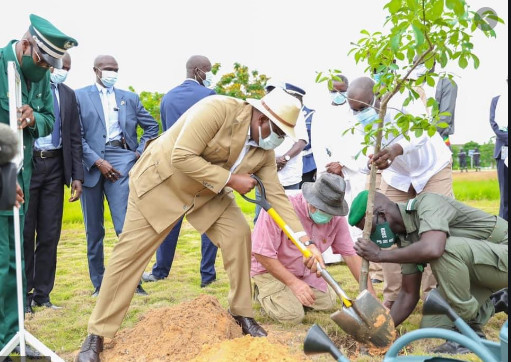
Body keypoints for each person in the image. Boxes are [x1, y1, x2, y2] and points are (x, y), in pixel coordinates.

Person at [76, 88, 327, 362]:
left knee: (239, 234)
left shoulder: (263, 151)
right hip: (162, 182)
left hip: (206, 193)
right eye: (278, 132)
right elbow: (181, 156)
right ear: (261, 119)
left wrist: (306, 242)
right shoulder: (217, 109)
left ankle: (241, 313)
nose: (278, 140)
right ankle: (97, 334)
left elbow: (276, 195)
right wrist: (232, 180)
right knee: (129, 257)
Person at [0, 14, 77, 356]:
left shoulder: (41, 75)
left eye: (51, 64)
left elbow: (47, 118)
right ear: (26, 44)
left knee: (15, 259)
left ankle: (11, 335)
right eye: (43, 61)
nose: (46, 69)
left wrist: (34, 118)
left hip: (21, 179)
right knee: (3, 259)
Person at [349, 190, 508, 354]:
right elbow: (408, 294)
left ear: (382, 215)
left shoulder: (428, 204)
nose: (373, 238)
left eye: (371, 230)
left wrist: (380, 255)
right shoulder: (405, 238)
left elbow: (433, 249)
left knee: (445, 249)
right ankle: (500, 298)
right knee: (436, 318)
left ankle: (467, 333)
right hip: (486, 270)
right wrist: (379, 332)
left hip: (504, 253)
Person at [347, 77, 453, 309]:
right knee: (383, 230)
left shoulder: (405, 97)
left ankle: (433, 297)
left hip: (431, 168)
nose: (359, 114)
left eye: (363, 108)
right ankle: (393, 297)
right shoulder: (359, 118)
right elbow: (357, 154)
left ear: (378, 97)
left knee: (435, 228)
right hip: (397, 177)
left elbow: (422, 132)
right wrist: (369, 163)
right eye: (354, 109)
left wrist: (395, 150)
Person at [75, 55, 159, 297]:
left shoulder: (129, 98)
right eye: (108, 69)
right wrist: (97, 161)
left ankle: (134, 282)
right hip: (91, 163)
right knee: (94, 230)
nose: (112, 72)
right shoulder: (79, 97)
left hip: (122, 159)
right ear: (96, 70)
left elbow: (151, 127)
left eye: (115, 69)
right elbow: (76, 136)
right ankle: (99, 285)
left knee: (125, 226)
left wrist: (138, 153)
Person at [251, 173, 374, 324]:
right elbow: (261, 254)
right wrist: (293, 284)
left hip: (303, 271)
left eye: (332, 211)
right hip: (269, 270)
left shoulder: (335, 217)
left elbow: (351, 255)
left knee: (327, 302)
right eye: (325, 210)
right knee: (292, 316)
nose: (330, 216)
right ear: (312, 202)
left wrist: (371, 298)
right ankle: (263, 292)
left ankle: (287, 295)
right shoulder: (281, 208)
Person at [142, 55, 219, 288]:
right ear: (197, 70)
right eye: (208, 70)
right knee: (209, 219)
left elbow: (167, 133)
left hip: (175, 168)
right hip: (203, 167)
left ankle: (160, 270)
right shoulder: (209, 97)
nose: (211, 74)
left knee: (170, 221)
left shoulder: (167, 98)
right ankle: (207, 275)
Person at [23, 53, 83, 311]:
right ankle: (23, 294)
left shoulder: (68, 94)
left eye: (68, 68)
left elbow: (74, 136)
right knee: (26, 232)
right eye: (60, 67)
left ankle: (42, 294)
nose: (63, 71)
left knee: (49, 233)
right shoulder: (29, 88)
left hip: (57, 166)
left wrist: (77, 175)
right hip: (30, 165)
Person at [253, 82, 308, 224]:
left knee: (289, 219)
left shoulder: (295, 113)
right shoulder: (262, 110)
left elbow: (301, 141)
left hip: (289, 176)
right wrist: (270, 161)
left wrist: (285, 158)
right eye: (268, 91)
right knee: (260, 219)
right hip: (264, 175)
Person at [489, 81, 508, 221]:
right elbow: (495, 125)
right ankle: (504, 229)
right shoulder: (497, 101)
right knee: (505, 193)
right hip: (504, 151)